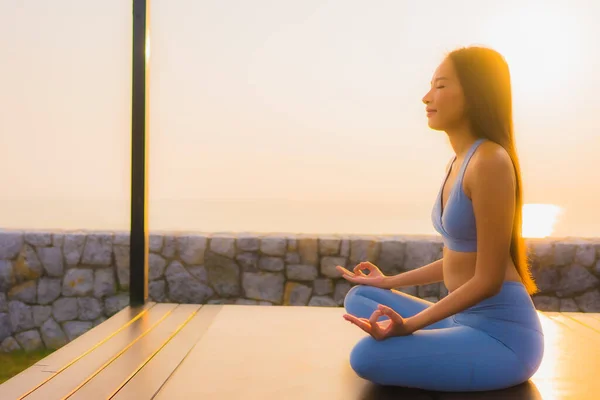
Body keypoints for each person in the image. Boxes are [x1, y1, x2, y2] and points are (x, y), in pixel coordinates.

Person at [336, 46, 545, 392]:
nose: (426, 97)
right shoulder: (459, 161)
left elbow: (488, 279)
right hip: (462, 319)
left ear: (475, 94)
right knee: (360, 297)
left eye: (441, 86)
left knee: (366, 358)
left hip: (503, 339)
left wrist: (411, 325)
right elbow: (456, 257)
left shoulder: (490, 161)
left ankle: (440, 338)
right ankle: (441, 332)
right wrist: (388, 283)